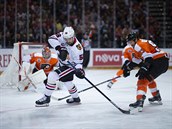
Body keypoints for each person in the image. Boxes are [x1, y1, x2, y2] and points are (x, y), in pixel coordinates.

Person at [35, 26, 85, 107]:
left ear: (73, 36)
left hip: (70, 66)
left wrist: (79, 70)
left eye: (69, 39)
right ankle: (76, 98)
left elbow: (79, 63)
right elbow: (51, 38)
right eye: (65, 39)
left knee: (52, 76)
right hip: (62, 64)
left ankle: (46, 98)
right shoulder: (63, 36)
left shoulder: (78, 49)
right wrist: (60, 48)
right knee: (67, 82)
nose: (67, 40)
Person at [124, 32, 169, 112]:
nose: (130, 43)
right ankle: (156, 96)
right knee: (147, 77)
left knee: (142, 79)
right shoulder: (138, 45)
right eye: (129, 42)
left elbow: (148, 59)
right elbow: (136, 61)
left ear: (135, 39)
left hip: (158, 61)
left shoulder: (138, 45)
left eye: (131, 41)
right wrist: (127, 69)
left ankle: (139, 101)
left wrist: (144, 67)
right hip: (161, 62)